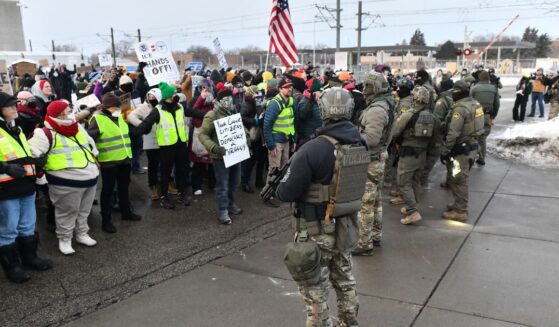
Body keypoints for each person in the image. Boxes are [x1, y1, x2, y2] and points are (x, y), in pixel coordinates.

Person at [277, 87, 367, 327]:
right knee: (345, 279)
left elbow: (286, 192)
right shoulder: (361, 141)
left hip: (316, 229)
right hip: (346, 224)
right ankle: (349, 322)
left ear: (323, 110)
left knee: (315, 289)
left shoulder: (313, 148)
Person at [29, 101, 99, 255]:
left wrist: (95, 159)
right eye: (67, 111)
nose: (70, 113)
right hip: (65, 181)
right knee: (66, 212)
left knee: (84, 211)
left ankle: (82, 234)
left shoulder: (77, 126)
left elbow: (90, 143)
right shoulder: (44, 132)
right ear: (60, 114)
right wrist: (41, 176)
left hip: (90, 177)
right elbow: (32, 155)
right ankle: (65, 239)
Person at [0, 92, 52, 283]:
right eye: (10, 106)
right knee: (8, 229)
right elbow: (8, 160)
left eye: (15, 104)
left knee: (27, 225)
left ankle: (30, 259)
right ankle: (12, 267)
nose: (15, 108)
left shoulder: (17, 129)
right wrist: (5, 167)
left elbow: (21, 154)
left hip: (26, 186)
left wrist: (35, 161)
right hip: (6, 190)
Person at [353, 72, 396, 256]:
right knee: (376, 201)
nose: (364, 90)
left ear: (376, 88)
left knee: (366, 204)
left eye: (368, 87)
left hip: (371, 159)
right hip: (377, 158)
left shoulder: (377, 110)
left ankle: (364, 243)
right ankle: (375, 235)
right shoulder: (382, 104)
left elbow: (370, 139)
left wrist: (352, 136)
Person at [87, 93, 141, 233]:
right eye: (116, 106)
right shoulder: (97, 119)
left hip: (124, 159)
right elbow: (88, 140)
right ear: (109, 107)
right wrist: (94, 158)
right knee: (108, 191)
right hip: (108, 162)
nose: (118, 108)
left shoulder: (119, 117)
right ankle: (106, 220)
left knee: (124, 188)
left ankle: (126, 213)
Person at [134, 82, 191, 209]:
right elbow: (145, 125)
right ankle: (164, 197)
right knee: (165, 173)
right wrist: (132, 132)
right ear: (168, 96)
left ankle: (182, 193)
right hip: (167, 147)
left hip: (181, 144)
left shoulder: (179, 107)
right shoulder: (157, 110)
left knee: (181, 170)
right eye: (174, 93)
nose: (176, 95)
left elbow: (191, 112)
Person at [390, 86, 440, 225]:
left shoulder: (408, 114)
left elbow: (395, 132)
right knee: (416, 181)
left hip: (407, 154)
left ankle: (412, 211)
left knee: (403, 182)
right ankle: (412, 205)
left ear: (414, 98)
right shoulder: (433, 117)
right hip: (422, 154)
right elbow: (435, 139)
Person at [440, 81, 484, 222]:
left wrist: (446, 150)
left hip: (461, 148)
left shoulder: (460, 109)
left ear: (458, 92)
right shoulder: (475, 104)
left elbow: (453, 132)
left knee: (458, 179)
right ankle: (458, 203)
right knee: (458, 177)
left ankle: (460, 211)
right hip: (472, 145)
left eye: (454, 91)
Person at [198, 84, 242, 225]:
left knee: (235, 182)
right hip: (220, 156)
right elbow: (202, 135)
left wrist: (246, 139)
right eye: (226, 98)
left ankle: (231, 204)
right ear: (220, 100)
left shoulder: (234, 112)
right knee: (222, 185)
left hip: (235, 153)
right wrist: (214, 148)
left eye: (231, 97)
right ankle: (223, 211)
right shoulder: (212, 115)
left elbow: (240, 129)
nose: (229, 100)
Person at [263, 77, 295, 207]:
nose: (290, 89)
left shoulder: (291, 101)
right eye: (287, 87)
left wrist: (293, 139)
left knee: (283, 169)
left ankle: (277, 191)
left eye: (290, 86)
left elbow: (292, 121)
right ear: (280, 89)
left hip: (287, 140)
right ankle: (267, 194)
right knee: (274, 169)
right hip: (276, 142)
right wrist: (271, 145)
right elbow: (267, 125)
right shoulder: (274, 104)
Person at [127, 88, 162, 200]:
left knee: (165, 163)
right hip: (151, 140)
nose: (152, 99)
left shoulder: (163, 106)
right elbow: (131, 116)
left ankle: (166, 183)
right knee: (153, 164)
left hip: (165, 139)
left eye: (154, 97)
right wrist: (142, 125)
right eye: (150, 97)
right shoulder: (143, 107)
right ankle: (152, 186)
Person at [187, 79, 215, 196]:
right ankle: (196, 186)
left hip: (211, 133)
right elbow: (191, 111)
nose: (207, 90)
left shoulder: (212, 100)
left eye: (209, 88)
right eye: (204, 88)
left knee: (212, 161)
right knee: (198, 162)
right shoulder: (195, 99)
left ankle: (213, 184)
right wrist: (201, 99)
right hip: (199, 134)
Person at [240, 86, 266, 193]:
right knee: (250, 161)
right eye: (255, 92)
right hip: (251, 136)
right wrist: (255, 122)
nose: (257, 94)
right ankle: (245, 183)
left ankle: (259, 180)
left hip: (260, 136)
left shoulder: (257, 102)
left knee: (261, 159)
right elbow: (242, 118)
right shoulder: (247, 104)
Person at [470, 71, 499, 166]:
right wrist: (493, 116)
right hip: (487, 115)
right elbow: (497, 104)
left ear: (479, 78)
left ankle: (471, 157)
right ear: (488, 78)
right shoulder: (494, 89)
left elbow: (469, 102)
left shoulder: (474, 88)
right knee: (482, 137)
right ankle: (481, 158)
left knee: (473, 136)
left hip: (475, 115)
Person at [295, 78, 323, 147]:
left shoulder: (319, 101)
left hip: (316, 136)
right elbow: (302, 116)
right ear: (313, 92)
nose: (321, 93)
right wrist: (310, 103)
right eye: (319, 91)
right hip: (307, 138)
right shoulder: (305, 101)